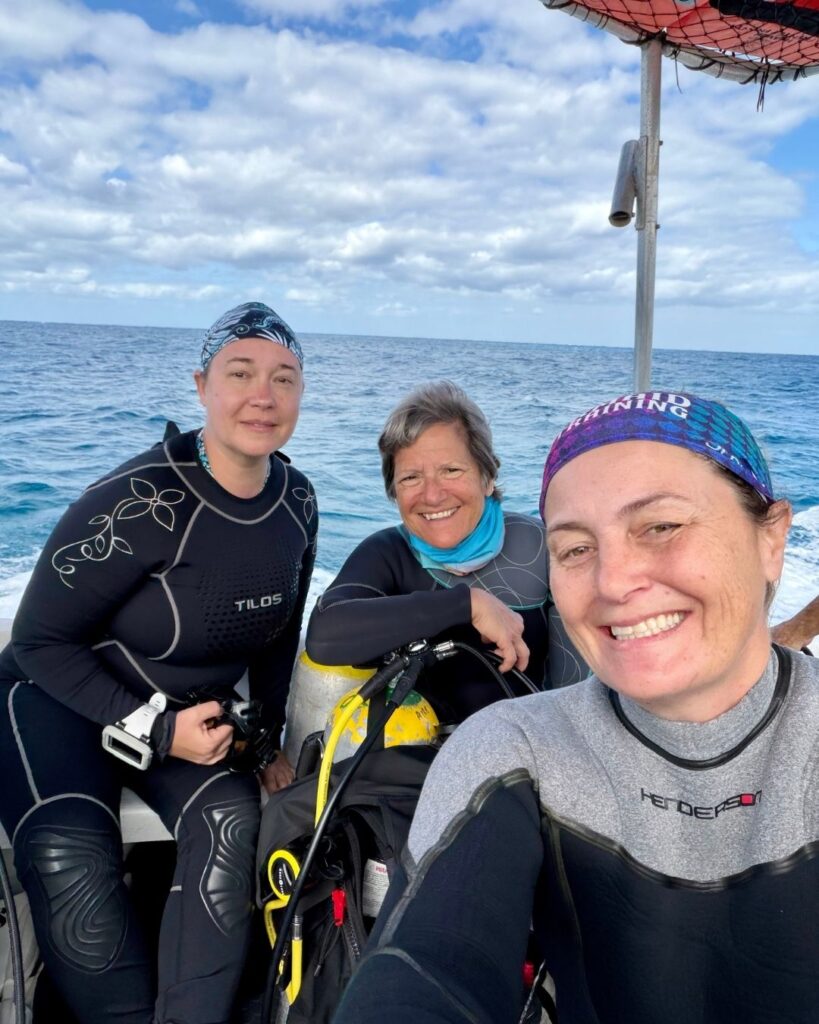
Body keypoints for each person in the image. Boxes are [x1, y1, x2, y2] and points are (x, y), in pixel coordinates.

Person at [333, 390, 818, 1024]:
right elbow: (426, 965)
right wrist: (464, 606)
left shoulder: (531, 545)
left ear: (771, 538)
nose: (613, 581)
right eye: (577, 549)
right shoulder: (507, 746)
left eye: (661, 526)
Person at [0, 302, 317, 1024]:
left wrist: (265, 740)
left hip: (184, 722)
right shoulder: (137, 502)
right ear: (201, 384)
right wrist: (153, 728)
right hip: (60, 705)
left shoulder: (296, 501)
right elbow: (37, 643)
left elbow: (276, 632)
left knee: (233, 821)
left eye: (284, 378)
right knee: (71, 861)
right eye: (240, 373)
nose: (262, 396)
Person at [306, 380, 585, 727]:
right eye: (410, 477)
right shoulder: (388, 553)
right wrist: (467, 605)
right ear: (394, 491)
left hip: (530, 754)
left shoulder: (541, 548)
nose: (432, 495)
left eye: (451, 470)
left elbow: (586, 685)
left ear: (487, 476)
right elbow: (324, 637)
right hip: (415, 760)